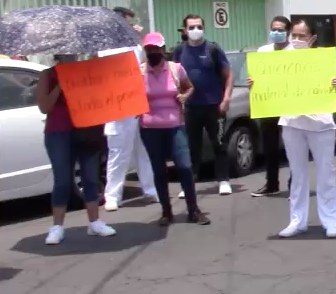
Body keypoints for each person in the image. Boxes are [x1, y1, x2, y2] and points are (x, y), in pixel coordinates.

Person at [36, 54, 116, 245]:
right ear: (58, 55)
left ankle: (94, 222)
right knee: (62, 180)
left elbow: (101, 97)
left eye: (73, 52)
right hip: (58, 133)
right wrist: (61, 85)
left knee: (90, 178)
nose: (71, 55)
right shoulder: (47, 75)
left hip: (86, 131)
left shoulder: (85, 73)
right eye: (66, 52)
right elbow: (44, 107)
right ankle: (57, 227)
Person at [278, 20, 336, 239]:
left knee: (326, 173)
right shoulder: (281, 60)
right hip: (292, 122)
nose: (297, 40)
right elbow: (272, 86)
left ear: (312, 38)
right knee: (297, 174)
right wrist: (256, 84)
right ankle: (297, 221)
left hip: (321, 124)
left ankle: (330, 220)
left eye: (302, 36)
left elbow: (335, 88)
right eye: (294, 35)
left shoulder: (325, 60)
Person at [138, 33, 210, 226]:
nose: (153, 52)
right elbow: (130, 98)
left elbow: (189, 87)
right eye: (149, 49)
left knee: (185, 167)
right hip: (149, 128)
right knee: (159, 170)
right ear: (146, 51)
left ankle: (193, 210)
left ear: (163, 49)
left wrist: (185, 96)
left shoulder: (175, 69)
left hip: (175, 126)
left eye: (156, 48)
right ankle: (166, 212)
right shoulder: (139, 72)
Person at [171, 14, 234, 196]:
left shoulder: (213, 49)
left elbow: (228, 75)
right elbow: (173, 77)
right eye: (191, 27)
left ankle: (223, 180)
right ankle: (191, 182)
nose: (195, 30)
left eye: (198, 26)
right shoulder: (178, 51)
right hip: (191, 106)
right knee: (191, 145)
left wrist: (227, 98)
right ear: (184, 30)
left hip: (214, 105)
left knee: (219, 143)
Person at [98, 45, 158, 211]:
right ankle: (112, 196)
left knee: (144, 151)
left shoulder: (136, 47)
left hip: (138, 105)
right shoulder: (104, 49)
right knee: (118, 154)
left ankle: (150, 190)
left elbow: (145, 66)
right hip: (117, 108)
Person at [248, 16, 293, 197]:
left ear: (288, 32)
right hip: (268, 106)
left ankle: (294, 185)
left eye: (281, 30)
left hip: (291, 107)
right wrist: (252, 82)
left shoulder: (296, 52)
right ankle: (271, 183)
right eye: (274, 29)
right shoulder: (263, 51)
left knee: (292, 149)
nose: (276, 32)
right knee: (270, 148)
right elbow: (257, 77)